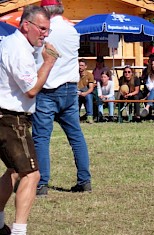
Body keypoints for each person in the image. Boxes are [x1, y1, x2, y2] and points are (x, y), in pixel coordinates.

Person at [0, 5, 58, 235]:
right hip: (11, 118)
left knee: (13, 170)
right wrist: (49, 63)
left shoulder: (11, 44)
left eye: (48, 29)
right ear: (26, 25)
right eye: (42, 29)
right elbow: (32, 89)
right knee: (31, 174)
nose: (45, 34)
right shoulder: (18, 50)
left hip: (6, 116)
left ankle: (0, 226)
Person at [33, 0, 92, 197]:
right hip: (70, 88)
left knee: (41, 137)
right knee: (76, 136)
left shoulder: (46, 31)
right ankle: (84, 180)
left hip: (48, 89)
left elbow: (36, 55)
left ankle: (42, 183)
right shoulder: (72, 30)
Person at [77, 58, 95, 123]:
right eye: (79, 65)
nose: (80, 67)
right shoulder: (75, 74)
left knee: (89, 96)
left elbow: (91, 88)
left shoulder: (89, 75)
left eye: (82, 65)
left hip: (86, 92)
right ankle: (76, 117)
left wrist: (85, 93)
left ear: (85, 66)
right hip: (77, 92)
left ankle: (89, 117)